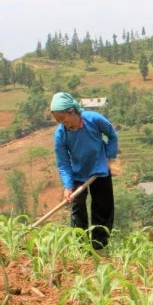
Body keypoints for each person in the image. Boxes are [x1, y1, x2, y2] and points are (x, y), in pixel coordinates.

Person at [50, 92, 119, 250]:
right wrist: (68, 186)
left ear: (71, 111)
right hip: (78, 173)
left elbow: (112, 135)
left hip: (99, 168)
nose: (62, 123)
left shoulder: (93, 119)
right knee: (77, 207)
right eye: (57, 120)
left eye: (62, 118)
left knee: (103, 206)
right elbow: (63, 163)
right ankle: (81, 247)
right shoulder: (61, 134)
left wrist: (108, 156)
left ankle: (99, 245)